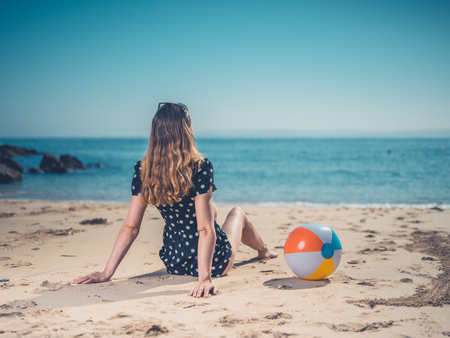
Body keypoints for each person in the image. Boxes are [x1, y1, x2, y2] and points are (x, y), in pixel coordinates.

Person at [71, 102, 277, 298]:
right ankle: (263, 250)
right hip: (214, 262)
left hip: (175, 260)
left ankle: (262, 249)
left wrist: (107, 273)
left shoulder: (144, 170)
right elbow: (205, 229)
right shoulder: (200, 167)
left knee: (208, 210)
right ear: (186, 131)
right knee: (237, 213)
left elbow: (131, 227)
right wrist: (204, 279)